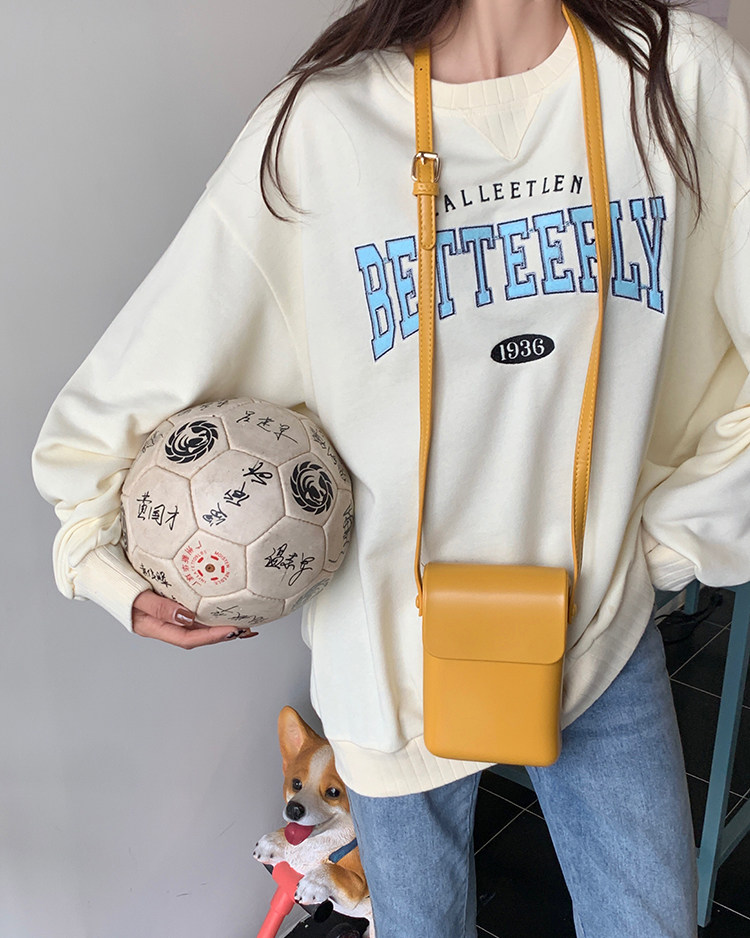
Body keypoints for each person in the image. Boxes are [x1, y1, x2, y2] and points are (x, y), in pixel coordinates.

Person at [31, 0, 750, 935]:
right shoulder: (324, 122)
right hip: (385, 654)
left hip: (599, 623)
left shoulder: (674, 76)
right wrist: (100, 560)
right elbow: (133, 380)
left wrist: (670, 540)